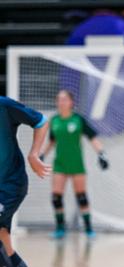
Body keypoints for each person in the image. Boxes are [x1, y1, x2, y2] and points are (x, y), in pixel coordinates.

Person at [0, 96, 50, 267]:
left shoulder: (4, 106)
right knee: (4, 244)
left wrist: (34, 154)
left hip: (10, 185)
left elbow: (40, 121)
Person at [41, 90, 109, 239]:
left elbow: (93, 138)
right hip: (60, 164)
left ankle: (89, 229)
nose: (61, 102)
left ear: (71, 102)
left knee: (82, 197)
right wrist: (42, 155)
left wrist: (101, 154)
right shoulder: (54, 121)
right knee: (56, 197)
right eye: (58, 99)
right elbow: (52, 141)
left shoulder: (78, 120)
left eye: (64, 99)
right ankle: (60, 228)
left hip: (77, 164)